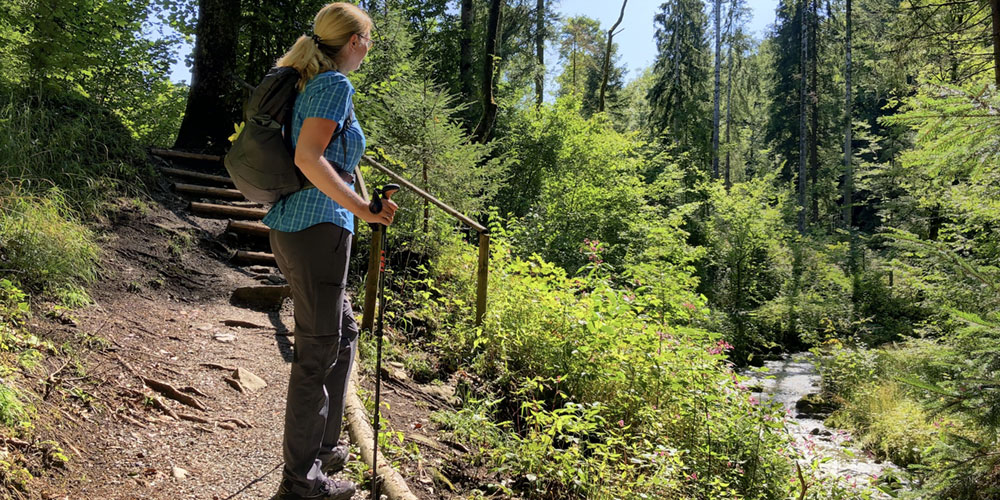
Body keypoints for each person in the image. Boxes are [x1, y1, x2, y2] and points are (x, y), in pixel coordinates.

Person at [262, 3, 397, 500]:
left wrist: (358, 210)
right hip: (317, 229)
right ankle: (301, 483)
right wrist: (363, 208)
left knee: (343, 332)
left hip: (300, 226)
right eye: (369, 39)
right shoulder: (334, 85)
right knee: (315, 354)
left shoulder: (309, 82)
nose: (369, 48)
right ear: (355, 41)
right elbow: (307, 158)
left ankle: (323, 449)